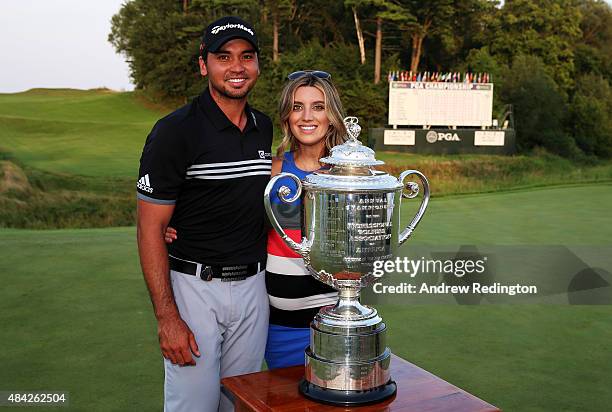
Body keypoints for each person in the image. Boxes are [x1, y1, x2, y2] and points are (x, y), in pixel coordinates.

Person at [165, 71, 348, 370]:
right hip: (278, 329)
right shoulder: (271, 171)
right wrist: (174, 223)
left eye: (318, 106)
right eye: (297, 106)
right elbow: (223, 207)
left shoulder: (350, 178)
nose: (306, 116)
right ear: (286, 116)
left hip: (335, 325)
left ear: (332, 115)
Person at [136, 16, 272, 412]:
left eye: (246, 57)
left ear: (257, 65)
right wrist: (167, 318)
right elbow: (149, 229)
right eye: (223, 57)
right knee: (192, 405)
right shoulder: (174, 131)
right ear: (203, 65)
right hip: (195, 289)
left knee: (241, 404)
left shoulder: (262, 127)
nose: (236, 67)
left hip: (252, 289)